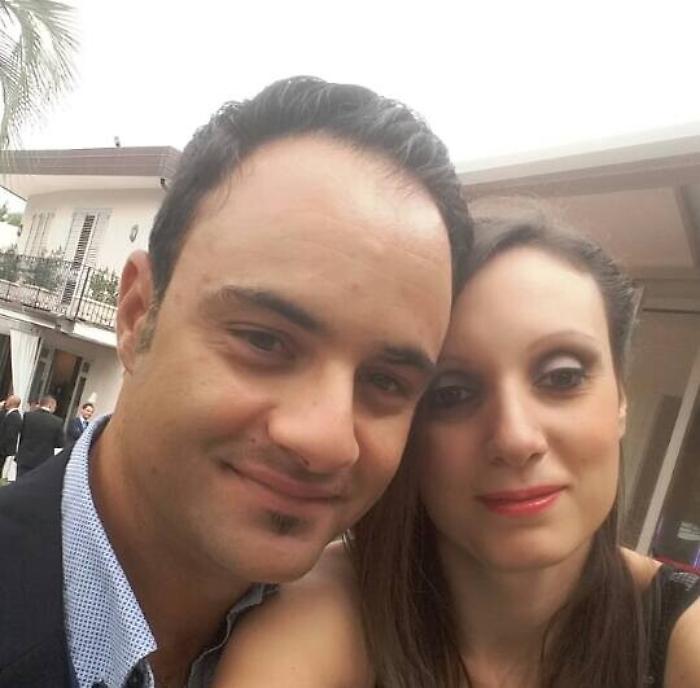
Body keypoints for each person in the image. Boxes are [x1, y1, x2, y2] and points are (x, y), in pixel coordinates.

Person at [0, 76, 471, 687]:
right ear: (137, 314)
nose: (327, 441)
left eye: (386, 381)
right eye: (265, 341)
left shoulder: (381, 655)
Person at [214, 203, 700, 688]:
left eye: (562, 377)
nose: (515, 439)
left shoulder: (682, 632)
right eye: (452, 393)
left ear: (620, 398)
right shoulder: (319, 618)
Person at [14, 394, 64, 478]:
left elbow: (21, 434)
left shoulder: (28, 416)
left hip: (24, 457)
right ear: (50, 405)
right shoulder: (57, 422)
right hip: (42, 460)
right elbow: (60, 443)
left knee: (19, 482)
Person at [0, 394, 22, 463]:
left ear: (11, 402)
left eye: (8, 400)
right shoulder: (7, 413)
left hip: (2, 450)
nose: (6, 402)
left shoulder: (14, 416)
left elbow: (9, 435)